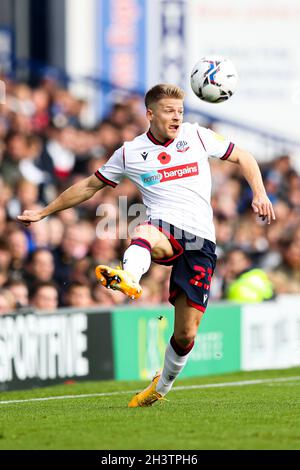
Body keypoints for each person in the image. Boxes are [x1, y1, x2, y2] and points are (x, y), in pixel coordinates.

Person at [18, 84, 276, 407]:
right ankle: (131, 278)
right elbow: (88, 186)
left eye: (180, 111)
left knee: (186, 335)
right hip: (164, 230)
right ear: (150, 114)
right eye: (169, 111)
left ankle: (160, 387)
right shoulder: (130, 153)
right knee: (145, 228)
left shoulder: (196, 136)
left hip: (201, 241)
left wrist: (260, 193)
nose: (177, 117)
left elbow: (244, 156)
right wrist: (44, 211)